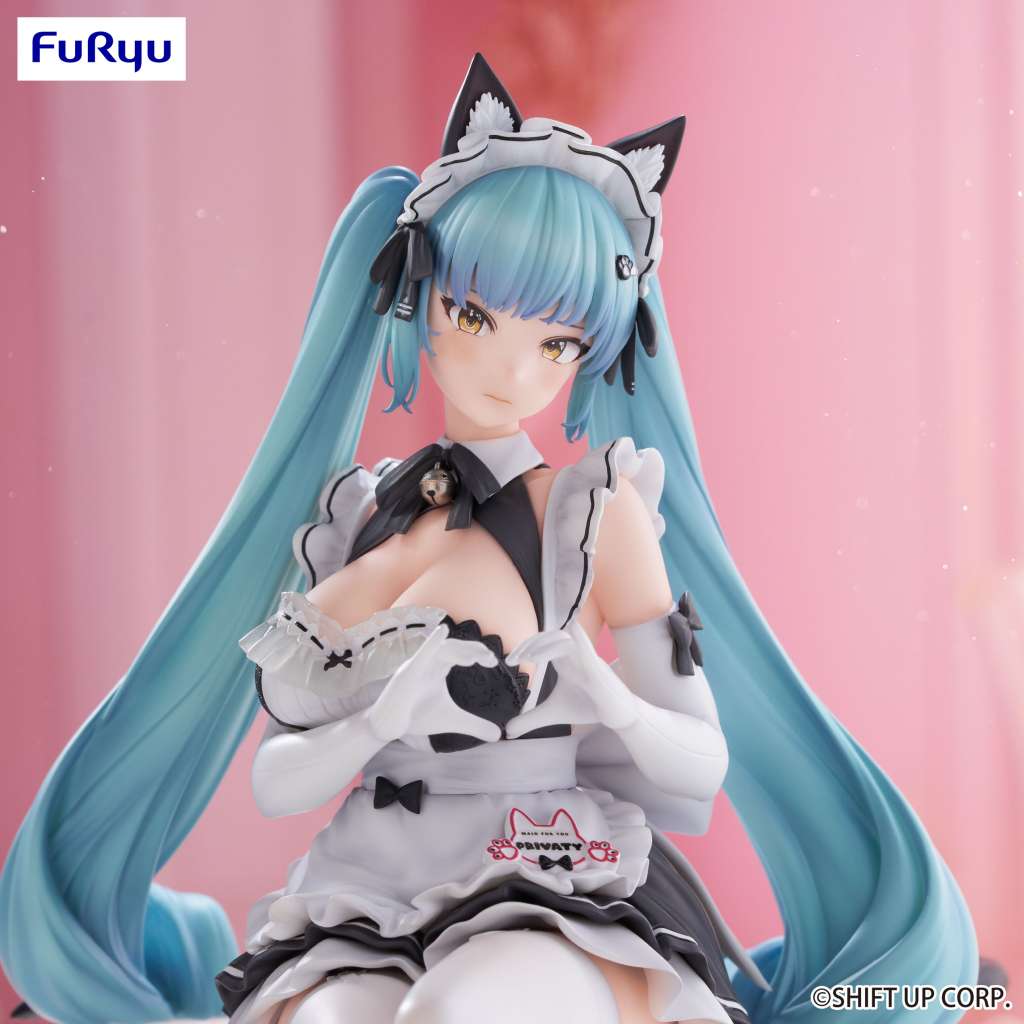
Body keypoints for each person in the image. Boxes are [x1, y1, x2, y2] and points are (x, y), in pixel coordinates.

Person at [0, 54, 977, 1024]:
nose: (513, 373)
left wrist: (608, 700)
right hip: (365, 883)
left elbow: (699, 769)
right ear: (418, 298)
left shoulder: (593, 513)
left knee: (460, 1010)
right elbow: (274, 778)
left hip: (543, 871)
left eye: (557, 344)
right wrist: (376, 722)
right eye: (473, 314)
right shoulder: (358, 517)